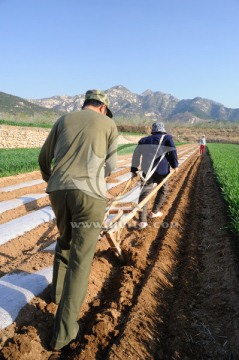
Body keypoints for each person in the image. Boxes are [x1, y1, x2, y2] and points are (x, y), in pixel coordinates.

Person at [38, 89, 118, 351]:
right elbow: (110, 167)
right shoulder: (109, 124)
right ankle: (63, 333)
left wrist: (53, 180)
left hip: (58, 191)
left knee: (64, 241)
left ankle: (56, 295)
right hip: (90, 194)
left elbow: (43, 157)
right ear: (103, 108)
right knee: (81, 262)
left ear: (85, 105)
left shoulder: (63, 119)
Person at [131, 122, 178, 229]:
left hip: (146, 171)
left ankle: (142, 221)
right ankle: (154, 212)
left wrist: (134, 169)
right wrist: (175, 165)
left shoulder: (144, 140)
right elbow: (172, 152)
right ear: (163, 130)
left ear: (152, 130)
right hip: (162, 170)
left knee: (144, 194)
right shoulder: (167, 138)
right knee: (163, 190)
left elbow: (136, 155)